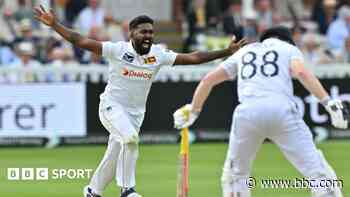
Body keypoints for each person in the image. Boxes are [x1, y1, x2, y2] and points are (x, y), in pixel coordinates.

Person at [33, 5, 247, 197]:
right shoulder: (118, 50)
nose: (148, 36)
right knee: (130, 139)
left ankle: (92, 191)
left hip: (136, 114)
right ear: (131, 33)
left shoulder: (158, 54)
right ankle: (127, 190)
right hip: (111, 107)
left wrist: (226, 52)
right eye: (143, 31)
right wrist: (55, 25)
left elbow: (193, 57)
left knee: (114, 155)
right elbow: (80, 41)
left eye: (151, 32)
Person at [173, 26, 348, 197]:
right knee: (318, 173)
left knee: (236, 176)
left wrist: (194, 110)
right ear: (286, 39)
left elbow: (208, 79)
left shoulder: (245, 51)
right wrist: (328, 102)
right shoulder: (288, 48)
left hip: (247, 113)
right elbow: (301, 72)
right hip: (282, 111)